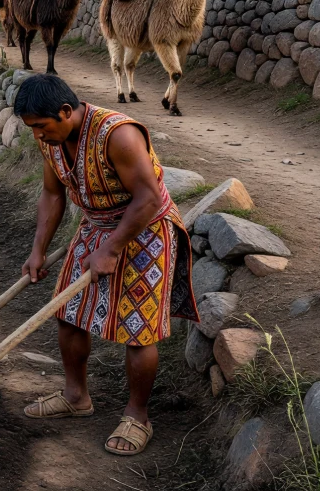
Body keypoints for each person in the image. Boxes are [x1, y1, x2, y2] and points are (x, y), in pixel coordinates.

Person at [16, 73, 197, 457]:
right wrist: (37, 250)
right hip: (97, 225)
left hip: (147, 227)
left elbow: (148, 198)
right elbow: (52, 194)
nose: (38, 135)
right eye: (31, 128)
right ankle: (76, 397)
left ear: (66, 111)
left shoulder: (118, 135)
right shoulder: (51, 140)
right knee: (67, 311)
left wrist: (112, 249)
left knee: (138, 328)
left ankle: (138, 416)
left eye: (41, 127)